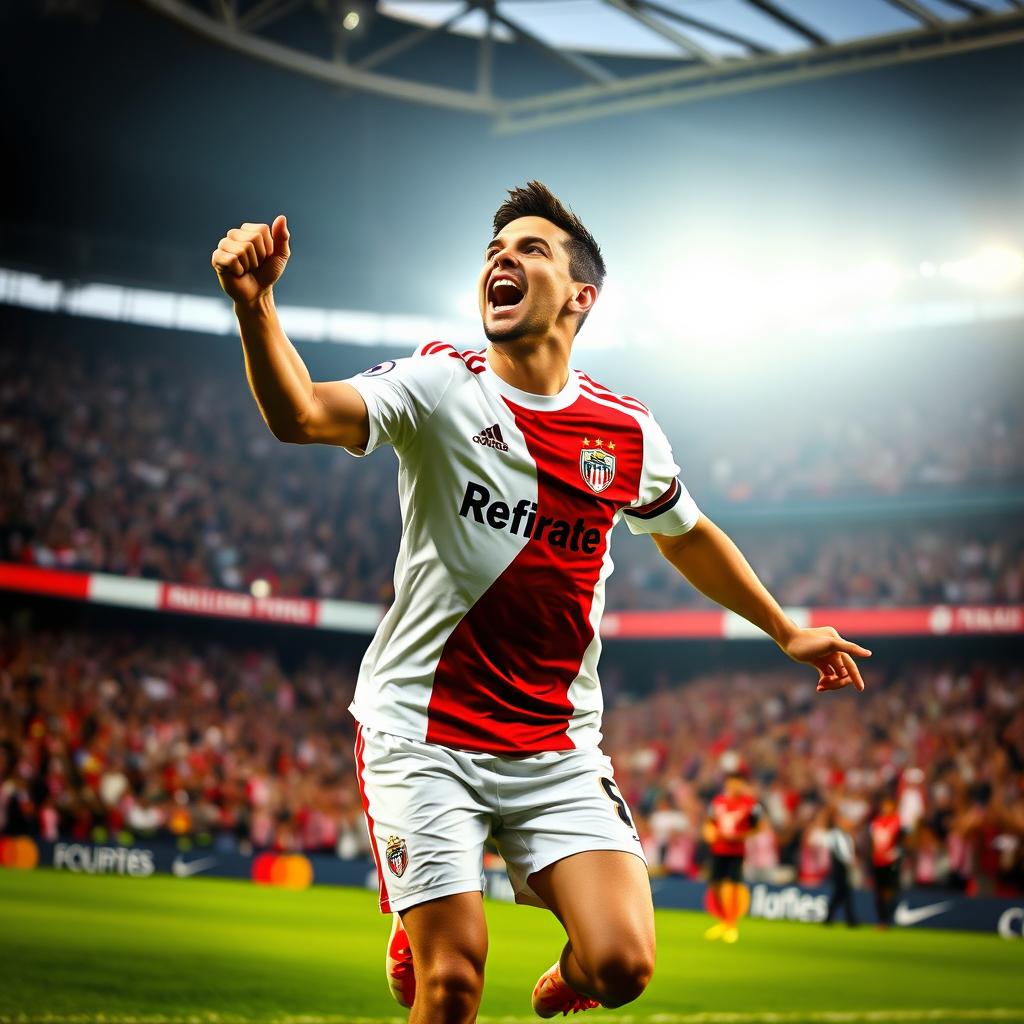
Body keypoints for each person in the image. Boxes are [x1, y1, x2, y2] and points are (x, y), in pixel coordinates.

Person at [211, 182, 872, 1022]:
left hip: (552, 747)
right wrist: (258, 307)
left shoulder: (626, 432)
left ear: (580, 297)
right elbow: (300, 413)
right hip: (422, 732)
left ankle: (570, 977)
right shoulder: (440, 386)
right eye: (494, 251)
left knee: (623, 965)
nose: (502, 259)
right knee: (450, 982)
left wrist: (784, 628)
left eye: (530, 250)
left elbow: (686, 532)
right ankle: (426, 928)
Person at [702, 771, 762, 944]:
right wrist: (709, 833)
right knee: (716, 885)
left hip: (736, 851)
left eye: (738, 782)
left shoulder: (750, 805)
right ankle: (723, 921)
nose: (734, 786)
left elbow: (759, 826)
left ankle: (731, 923)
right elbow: (709, 822)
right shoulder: (718, 803)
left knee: (733, 885)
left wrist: (740, 836)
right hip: (718, 849)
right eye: (731, 782)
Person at [870, 796, 904, 928]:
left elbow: (902, 841)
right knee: (879, 892)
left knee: (890, 890)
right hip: (878, 861)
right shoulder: (876, 822)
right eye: (885, 805)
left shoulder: (897, 822)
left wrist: (896, 854)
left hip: (891, 861)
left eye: (889, 805)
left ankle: (887, 919)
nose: (886, 808)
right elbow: (873, 843)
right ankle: (881, 919)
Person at [824, 810, 859, 927]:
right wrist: (851, 861)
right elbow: (842, 852)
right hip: (839, 867)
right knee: (843, 893)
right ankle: (849, 920)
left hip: (844, 867)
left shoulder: (846, 835)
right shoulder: (836, 834)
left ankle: (832, 919)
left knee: (841, 894)